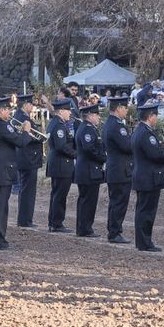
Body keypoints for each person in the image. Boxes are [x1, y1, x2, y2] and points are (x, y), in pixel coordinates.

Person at [0, 97, 32, 250]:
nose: (10, 113)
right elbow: (21, 142)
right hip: (1, 171)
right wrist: (26, 131)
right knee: (0, 208)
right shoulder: (1, 125)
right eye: (8, 110)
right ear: (2, 110)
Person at [131, 100, 164, 251]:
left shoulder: (138, 131)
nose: (157, 118)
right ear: (150, 116)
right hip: (148, 178)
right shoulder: (146, 133)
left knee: (143, 210)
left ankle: (143, 241)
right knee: (146, 211)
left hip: (143, 176)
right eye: (156, 115)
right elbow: (155, 154)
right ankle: (144, 242)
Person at [74, 102, 107, 237]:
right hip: (88, 170)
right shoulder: (87, 129)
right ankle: (85, 228)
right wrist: (103, 157)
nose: (98, 117)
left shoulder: (88, 128)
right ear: (90, 116)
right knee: (88, 201)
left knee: (86, 200)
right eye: (97, 115)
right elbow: (89, 149)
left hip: (89, 170)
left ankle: (84, 227)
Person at [103, 96, 133, 244]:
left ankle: (113, 230)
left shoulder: (109, 123)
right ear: (119, 108)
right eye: (125, 108)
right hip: (120, 169)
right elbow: (127, 146)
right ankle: (115, 232)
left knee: (115, 201)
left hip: (115, 168)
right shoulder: (117, 126)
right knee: (119, 202)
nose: (126, 111)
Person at [45, 98, 77, 233]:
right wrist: (76, 154)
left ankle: (54, 221)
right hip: (61, 164)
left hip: (59, 164)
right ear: (62, 111)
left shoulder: (56, 123)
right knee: (59, 195)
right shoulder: (58, 125)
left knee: (57, 194)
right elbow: (61, 146)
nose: (70, 113)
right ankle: (56, 223)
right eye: (68, 110)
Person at [12, 94, 43, 229]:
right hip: (28, 158)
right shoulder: (23, 118)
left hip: (25, 158)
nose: (33, 107)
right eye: (31, 104)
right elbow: (36, 135)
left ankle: (24, 219)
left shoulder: (18, 117)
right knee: (28, 191)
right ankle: (25, 220)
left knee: (26, 190)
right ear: (25, 105)